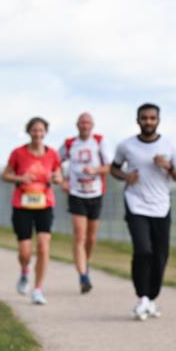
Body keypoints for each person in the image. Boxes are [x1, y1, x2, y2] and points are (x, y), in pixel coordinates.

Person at [110, 103, 176, 320]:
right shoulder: (126, 146)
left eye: (152, 118)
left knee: (161, 255)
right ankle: (142, 296)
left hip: (161, 206)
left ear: (158, 120)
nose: (148, 122)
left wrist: (168, 167)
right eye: (144, 118)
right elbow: (114, 168)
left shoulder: (169, 145)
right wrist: (125, 177)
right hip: (136, 204)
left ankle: (151, 298)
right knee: (143, 250)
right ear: (138, 120)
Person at [2, 117, 63, 305]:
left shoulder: (52, 154)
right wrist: (21, 178)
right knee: (25, 251)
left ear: (46, 132)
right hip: (22, 204)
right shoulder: (18, 153)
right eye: (34, 130)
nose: (38, 134)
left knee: (44, 247)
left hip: (45, 204)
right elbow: (5, 175)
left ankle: (38, 289)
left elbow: (59, 176)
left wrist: (56, 177)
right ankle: (25, 271)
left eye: (41, 130)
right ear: (28, 132)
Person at [60, 111, 112, 293]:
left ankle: (85, 263)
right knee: (80, 236)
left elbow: (110, 166)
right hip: (76, 193)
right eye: (82, 122)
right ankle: (83, 276)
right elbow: (56, 163)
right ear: (77, 125)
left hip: (95, 193)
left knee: (91, 237)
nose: (85, 125)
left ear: (92, 125)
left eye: (88, 122)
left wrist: (96, 170)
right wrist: (63, 181)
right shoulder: (69, 144)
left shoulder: (99, 141)